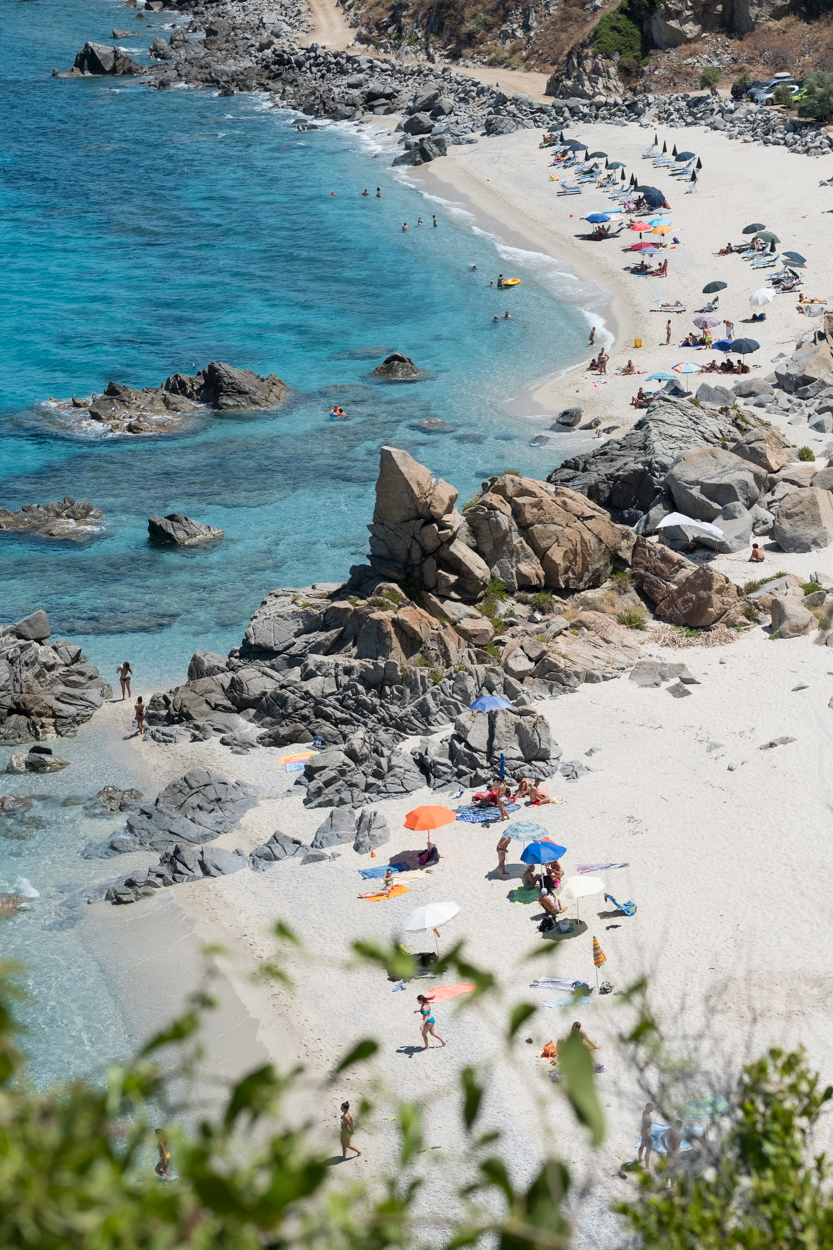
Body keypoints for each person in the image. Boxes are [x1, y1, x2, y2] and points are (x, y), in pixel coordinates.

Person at [638, 1103, 655, 1169]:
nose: (652, 1109)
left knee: (642, 1146)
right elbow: (647, 1125)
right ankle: (647, 1166)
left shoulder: (645, 1113)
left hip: (644, 1132)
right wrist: (648, 1135)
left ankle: (640, 1159)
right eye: (651, 1108)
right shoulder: (646, 1116)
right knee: (648, 1149)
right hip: (647, 1133)